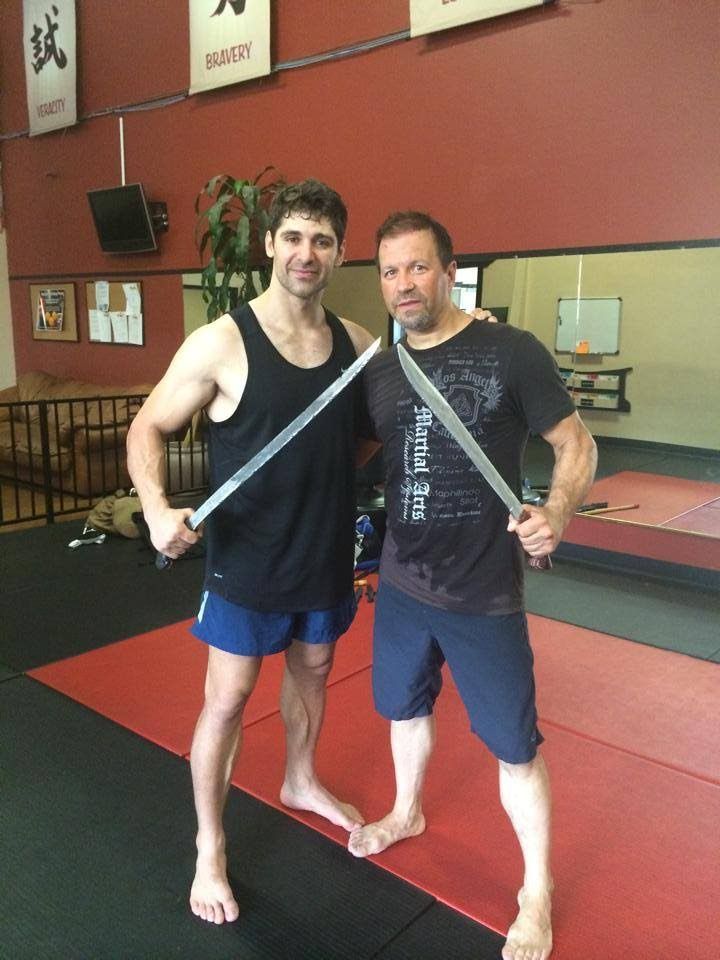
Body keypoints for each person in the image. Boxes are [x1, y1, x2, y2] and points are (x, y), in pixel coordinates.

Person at [126, 179, 376, 926]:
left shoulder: (358, 344)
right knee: (229, 698)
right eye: (293, 237)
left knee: (314, 671)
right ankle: (210, 845)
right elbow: (147, 426)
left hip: (324, 555)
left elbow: (368, 435)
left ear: (339, 252)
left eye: (322, 240)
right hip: (246, 562)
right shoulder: (222, 342)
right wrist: (155, 508)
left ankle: (300, 778)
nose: (306, 253)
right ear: (270, 244)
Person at [350, 211, 597, 960]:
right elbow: (358, 455)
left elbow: (576, 444)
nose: (403, 284)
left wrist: (557, 512)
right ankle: (407, 811)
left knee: (515, 748)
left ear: (449, 272)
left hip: (484, 592)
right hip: (402, 581)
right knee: (403, 708)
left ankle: (536, 890)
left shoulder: (510, 351)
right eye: (390, 271)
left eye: (417, 266)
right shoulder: (382, 373)